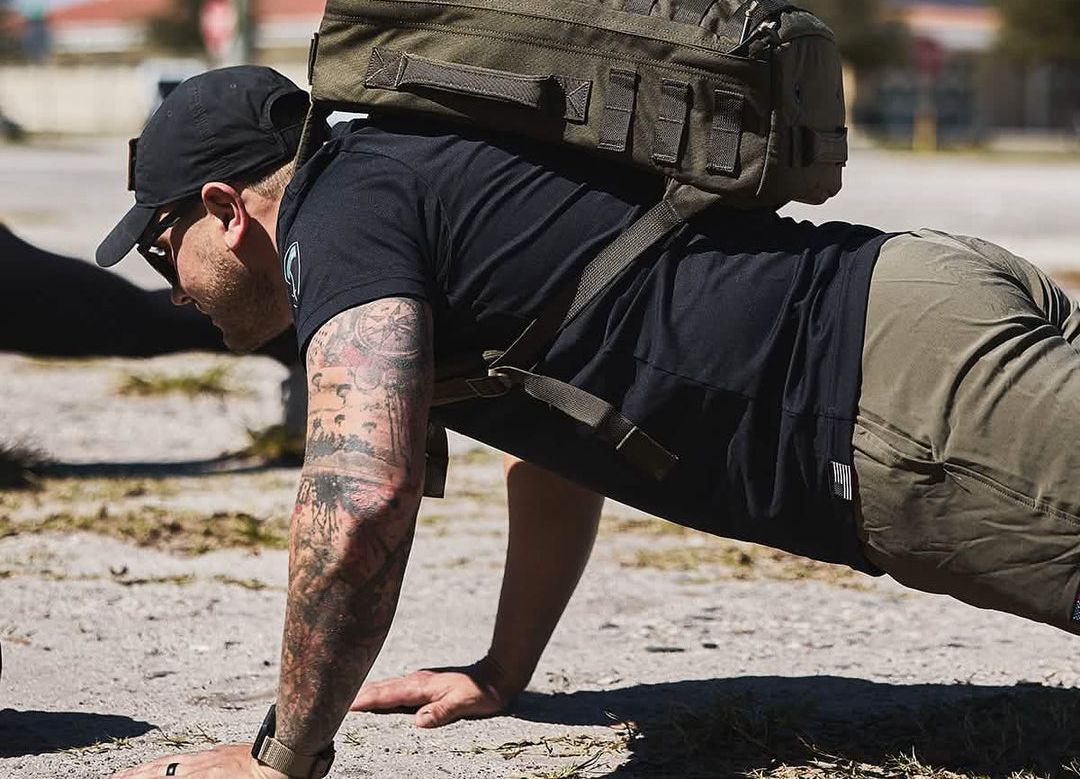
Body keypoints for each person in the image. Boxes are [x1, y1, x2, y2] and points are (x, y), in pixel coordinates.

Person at [97, 65, 1080, 779]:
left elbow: (361, 501)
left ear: (225, 208)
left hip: (902, 400)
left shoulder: (337, 219)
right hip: (917, 300)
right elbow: (558, 453)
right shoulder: (407, 175)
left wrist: (282, 760)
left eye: (157, 245)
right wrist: (502, 670)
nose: (171, 291)